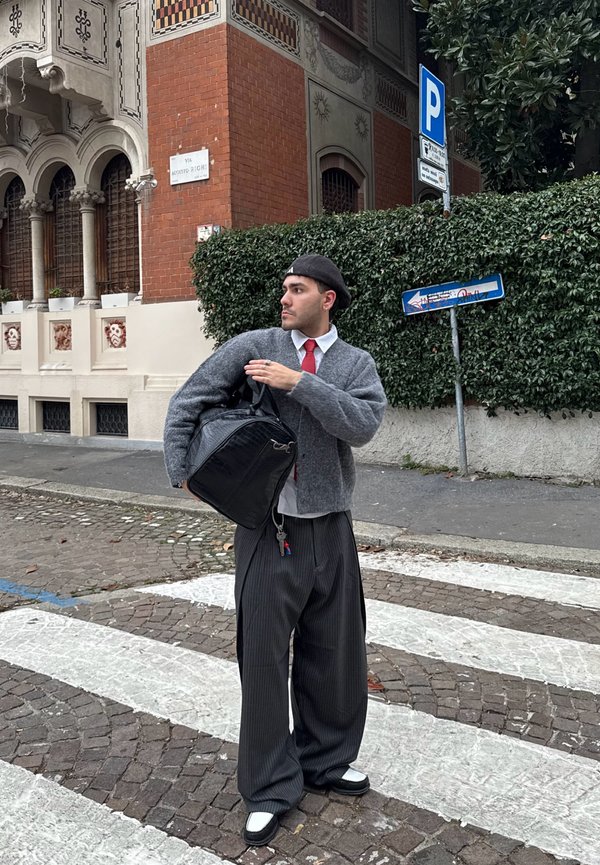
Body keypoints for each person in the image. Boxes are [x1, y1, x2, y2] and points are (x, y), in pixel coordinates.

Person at [163, 254, 387, 846]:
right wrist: (182, 471)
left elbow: (363, 425)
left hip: (332, 528)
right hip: (269, 529)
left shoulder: (354, 363)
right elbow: (188, 401)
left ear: (327, 299)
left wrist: (301, 384)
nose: (284, 299)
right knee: (262, 660)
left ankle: (326, 760)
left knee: (335, 653)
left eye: (297, 289)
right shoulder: (254, 345)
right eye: (284, 289)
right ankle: (269, 787)